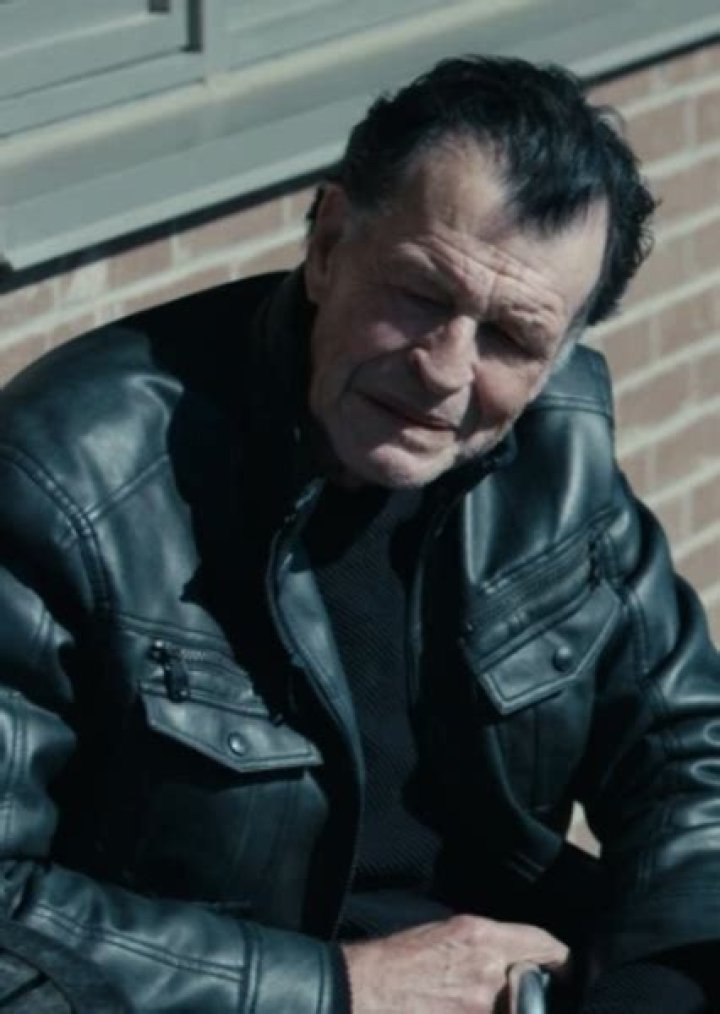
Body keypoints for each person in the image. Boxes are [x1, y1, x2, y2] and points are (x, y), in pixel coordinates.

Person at [0, 53, 718, 1013]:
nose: (446, 371)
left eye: (511, 337)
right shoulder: (65, 477)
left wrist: (649, 994)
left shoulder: (557, 444)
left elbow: (688, 756)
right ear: (330, 241)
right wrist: (342, 987)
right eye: (421, 294)